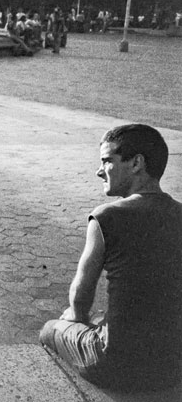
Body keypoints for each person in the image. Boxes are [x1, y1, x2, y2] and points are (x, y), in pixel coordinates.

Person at [40, 124, 182, 392]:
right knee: (106, 317)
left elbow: (80, 297)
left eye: (107, 161)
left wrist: (75, 317)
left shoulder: (107, 216)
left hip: (115, 366)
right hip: (173, 367)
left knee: (51, 328)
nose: (99, 171)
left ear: (136, 163)